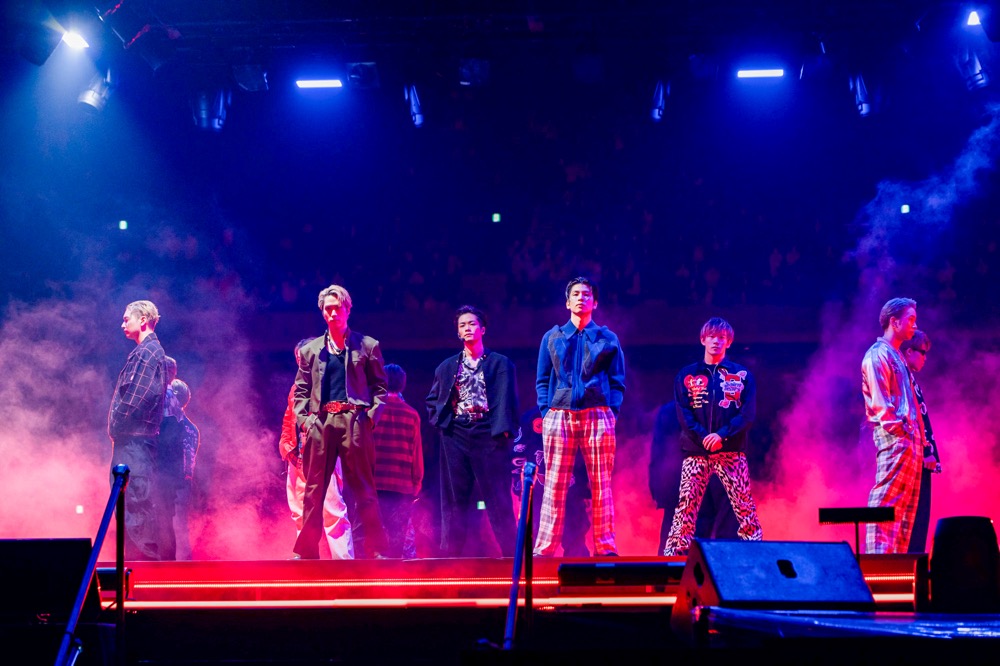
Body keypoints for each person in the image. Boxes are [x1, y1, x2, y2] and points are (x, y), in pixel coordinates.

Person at [293, 285, 388, 560]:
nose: (333, 313)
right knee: (313, 490)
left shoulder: (367, 345)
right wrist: (305, 420)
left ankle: (377, 548)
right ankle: (307, 550)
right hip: (321, 422)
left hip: (354, 420)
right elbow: (301, 390)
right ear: (322, 312)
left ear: (348, 309)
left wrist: (370, 418)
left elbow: (380, 387)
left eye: (338, 308)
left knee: (364, 489)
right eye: (328, 309)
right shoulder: (310, 350)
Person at [534, 277, 625, 557]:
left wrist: (611, 411)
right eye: (575, 294)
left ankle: (605, 547)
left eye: (586, 294)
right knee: (554, 484)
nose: (581, 298)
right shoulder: (552, 337)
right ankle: (545, 548)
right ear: (567, 302)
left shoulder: (607, 338)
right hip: (559, 415)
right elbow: (542, 379)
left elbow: (618, 380)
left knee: (601, 484)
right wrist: (546, 412)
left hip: (597, 414)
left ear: (594, 303)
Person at [662, 317, 763, 556]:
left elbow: (747, 414)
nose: (716, 341)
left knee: (743, 503)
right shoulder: (687, 375)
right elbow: (684, 414)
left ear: (729, 342)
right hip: (696, 451)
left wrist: (721, 435)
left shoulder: (741, 375)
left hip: (731, 451)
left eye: (721, 337)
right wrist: (704, 437)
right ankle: (676, 553)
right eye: (712, 337)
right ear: (703, 340)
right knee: (686, 504)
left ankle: (755, 549)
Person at [426, 305, 520, 557]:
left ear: (483, 329)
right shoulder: (447, 366)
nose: (467, 328)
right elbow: (433, 399)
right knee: (454, 498)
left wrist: (504, 432)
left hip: (489, 432)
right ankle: (452, 558)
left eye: (472, 324)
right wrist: (443, 424)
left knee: (497, 496)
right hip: (456, 432)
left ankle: (512, 556)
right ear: (458, 332)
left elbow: (510, 401)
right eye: (462, 325)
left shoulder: (501, 363)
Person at [279, 338, 354, 559]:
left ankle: (343, 562)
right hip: (298, 455)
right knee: (299, 510)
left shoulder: (333, 382)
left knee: (332, 510)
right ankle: (306, 555)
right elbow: (288, 420)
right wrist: (286, 446)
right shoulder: (296, 388)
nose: (300, 362)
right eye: (298, 358)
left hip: (324, 452)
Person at [861, 297, 923, 554]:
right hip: (895, 436)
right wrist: (899, 429)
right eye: (910, 319)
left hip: (909, 439)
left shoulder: (897, 356)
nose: (915, 325)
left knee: (904, 510)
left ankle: (895, 565)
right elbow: (880, 403)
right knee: (887, 499)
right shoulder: (878, 354)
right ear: (894, 322)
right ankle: (878, 563)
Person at [108, 299, 168, 561]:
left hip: (134, 444)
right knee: (131, 508)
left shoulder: (148, 352)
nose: (122, 324)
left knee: (135, 508)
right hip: (133, 444)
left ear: (142, 320)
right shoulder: (146, 352)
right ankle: (136, 567)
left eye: (126, 319)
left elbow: (135, 398)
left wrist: (116, 426)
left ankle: (142, 572)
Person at [648, 400, 738, 555]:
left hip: (682, 496)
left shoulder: (670, 410)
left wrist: (659, 490)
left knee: (673, 555)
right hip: (699, 497)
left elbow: (658, 457)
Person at [512, 406, 591, 557]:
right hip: (538, 495)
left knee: (575, 542)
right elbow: (518, 452)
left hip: (570, 494)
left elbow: (584, 457)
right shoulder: (530, 418)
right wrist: (519, 486)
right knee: (536, 543)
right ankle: (535, 571)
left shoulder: (577, 416)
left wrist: (584, 490)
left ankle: (577, 572)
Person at [373, 363, 424, 558]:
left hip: (376, 483)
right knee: (397, 539)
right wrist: (417, 481)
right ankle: (394, 575)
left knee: (376, 540)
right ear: (402, 384)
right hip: (402, 485)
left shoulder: (373, 412)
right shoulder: (412, 414)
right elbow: (416, 451)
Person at [900, 330, 942, 554]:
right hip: (915, 456)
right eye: (922, 352)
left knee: (920, 516)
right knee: (915, 516)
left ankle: (914, 560)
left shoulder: (909, 378)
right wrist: (926, 451)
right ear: (909, 352)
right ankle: (910, 563)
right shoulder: (902, 377)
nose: (925, 358)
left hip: (920, 454)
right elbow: (912, 417)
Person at [159, 378, 200, 560]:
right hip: (178, 482)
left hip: (177, 483)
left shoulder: (182, 427)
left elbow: (186, 460)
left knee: (177, 524)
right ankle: (176, 563)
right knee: (175, 524)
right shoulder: (192, 428)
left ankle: (178, 566)